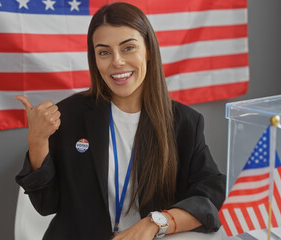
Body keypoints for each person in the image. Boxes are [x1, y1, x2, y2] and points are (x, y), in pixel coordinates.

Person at [15, 2, 225, 240]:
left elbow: (209, 196)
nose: (117, 62)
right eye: (104, 52)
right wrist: (38, 139)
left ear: (148, 50)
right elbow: (46, 205)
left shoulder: (185, 123)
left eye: (128, 48)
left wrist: (156, 222)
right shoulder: (68, 115)